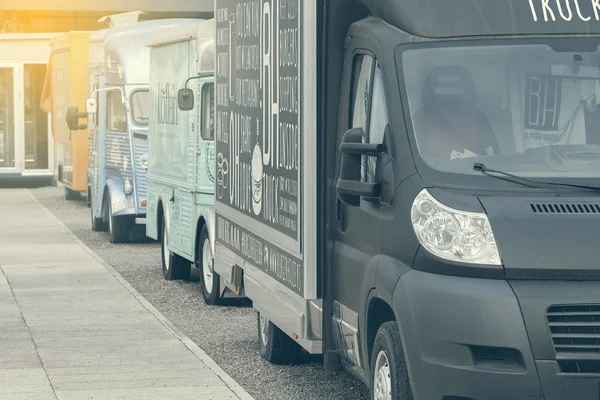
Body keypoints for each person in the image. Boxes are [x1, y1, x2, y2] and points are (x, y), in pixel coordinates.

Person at [417, 65, 499, 160]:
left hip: (472, 172)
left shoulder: (478, 118)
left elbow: (494, 158)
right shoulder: (421, 117)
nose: (448, 99)